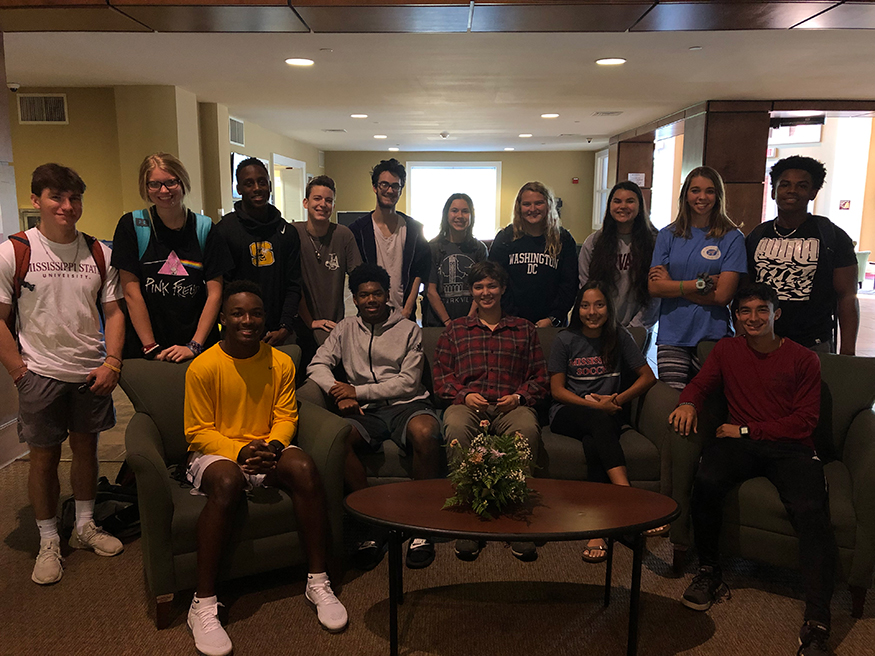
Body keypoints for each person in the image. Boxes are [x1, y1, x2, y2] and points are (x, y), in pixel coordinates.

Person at [669, 283, 834, 656]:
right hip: (739, 446)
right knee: (706, 480)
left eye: (762, 310)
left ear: (777, 313)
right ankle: (710, 570)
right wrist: (689, 403)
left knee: (810, 510)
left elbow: (804, 423)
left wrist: (746, 429)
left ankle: (818, 619)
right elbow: (700, 383)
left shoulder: (805, 359)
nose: (753, 318)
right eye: (745, 311)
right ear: (736, 317)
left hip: (789, 448)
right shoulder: (728, 350)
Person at [184, 280, 347, 656]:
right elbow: (197, 432)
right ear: (222, 319)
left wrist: (272, 447)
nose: (248, 320)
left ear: (265, 318)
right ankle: (203, 603)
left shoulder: (281, 361)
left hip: (266, 446)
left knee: (304, 467)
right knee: (225, 482)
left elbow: (286, 416)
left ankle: (318, 580)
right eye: (238, 313)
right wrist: (241, 452)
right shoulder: (203, 366)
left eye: (255, 313)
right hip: (218, 452)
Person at [0, 164, 125, 585]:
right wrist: (19, 372)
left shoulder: (98, 252)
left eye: (74, 199)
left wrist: (112, 362)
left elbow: (112, 311)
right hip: (40, 373)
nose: (67, 207)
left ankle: (86, 525)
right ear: (37, 200)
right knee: (43, 456)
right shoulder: (14, 251)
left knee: (87, 449)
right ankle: (49, 538)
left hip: (91, 371)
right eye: (57, 197)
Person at [307, 263, 442, 571]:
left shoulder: (408, 329)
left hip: (406, 404)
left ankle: (422, 527)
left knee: (426, 432)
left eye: (377, 294)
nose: (371, 300)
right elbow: (317, 366)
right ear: (354, 298)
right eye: (364, 295)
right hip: (366, 413)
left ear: (386, 296)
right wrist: (338, 392)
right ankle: (375, 519)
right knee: (335, 441)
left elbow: (409, 381)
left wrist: (356, 391)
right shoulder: (344, 329)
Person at [433, 260, 548, 562]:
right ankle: (469, 516)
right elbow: (441, 377)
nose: (486, 292)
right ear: (472, 291)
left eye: (491, 286)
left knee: (527, 430)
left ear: (502, 288)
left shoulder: (524, 329)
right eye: (479, 286)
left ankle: (516, 515)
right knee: (456, 427)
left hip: (510, 406)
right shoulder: (456, 331)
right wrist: (464, 394)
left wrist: (520, 397)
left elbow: (540, 378)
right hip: (469, 406)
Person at [548, 281, 659, 562]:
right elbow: (557, 390)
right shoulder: (565, 339)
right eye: (585, 305)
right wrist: (593, 404)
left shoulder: (620, 337)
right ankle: (630, 499)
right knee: (598, 421)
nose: (591, 311)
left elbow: (648, 377)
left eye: (598, 305)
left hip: (607, 413)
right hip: (566, 413)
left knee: (594, 441)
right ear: (577, 309)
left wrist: (617, 400)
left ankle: (598, 529)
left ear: (608, 308)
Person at [111, 152, 228, 361]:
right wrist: (151, 347)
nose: (163, 191)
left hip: (198, 346)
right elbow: (131, 292)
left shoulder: (205, 228)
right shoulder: (132, 225)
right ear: (145, 188)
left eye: (171, 182)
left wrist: (194, 345)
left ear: (182, 182)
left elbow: (215, 294)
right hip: (148, 346)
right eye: (154, 184)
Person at [746, 155, 858, 354]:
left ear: (813, 193)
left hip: (813, 344)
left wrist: (848, 351)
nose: (792, 191)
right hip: (762, 341)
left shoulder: (832, 236)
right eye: (785, 185)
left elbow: (847, 296)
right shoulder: (757, 235)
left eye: (802, 186)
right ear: (773, 192)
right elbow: (744, 293)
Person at [648, 166, 747, 390]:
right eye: (695, 190)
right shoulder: (667, 235)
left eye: (710, 191)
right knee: (674, 402)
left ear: (718, 196)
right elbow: (655, 288)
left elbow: (723, 296)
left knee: (707, 403)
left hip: (713, 334)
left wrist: (672, 285)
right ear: (685, 195)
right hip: (673, 335)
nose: (702, 197)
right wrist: (701, 284)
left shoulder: (732, 237)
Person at [215, 157, 302, 346]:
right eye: (249, 183)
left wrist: (285, 326)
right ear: (238, 189)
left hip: (280, 334)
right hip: (239, 334)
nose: (257, 188)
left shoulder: (287, 233)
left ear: (269, 186)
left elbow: (293, 285)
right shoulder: (224, 230)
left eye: (262, 182)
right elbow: (223, 288)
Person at [578, 181, 659, 351]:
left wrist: (636, 327)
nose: (623, 206)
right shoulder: (594, 242)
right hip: (601, 325)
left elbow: (657, 292)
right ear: (610, 206)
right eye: (617, 201)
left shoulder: (655, 242)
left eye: (630, 201)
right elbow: (585, 285)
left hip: (638, 327)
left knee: (633, 375)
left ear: (639, 206)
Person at [292, 175, 361, 368]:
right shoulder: (292, 234)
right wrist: (310, 320)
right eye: (317, 198)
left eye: (328, 200)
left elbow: (359, 279)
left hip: (333, 328)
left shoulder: (343, 235)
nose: (323, 204)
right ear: (306, 202)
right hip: (299, 328)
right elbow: (290, 283)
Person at [348, 158, 430, 320]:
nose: (390, 190)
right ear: (374, 187)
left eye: (395, 186)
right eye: (384, 184)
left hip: (405, 315)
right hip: (369, 315)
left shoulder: (414, 229)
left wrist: (407, 309)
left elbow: (418, 272)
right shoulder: (358, 230)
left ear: (400, 190)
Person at [488, 181, 578, 327]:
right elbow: (495, 280)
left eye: (539, 203)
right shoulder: (505, 238)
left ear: (548, 205)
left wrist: (553, 318)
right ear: (519, 207)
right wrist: (512, 317)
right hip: (511, 323)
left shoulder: (563, 239)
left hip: (552, 323)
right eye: (527, 204)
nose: (533, 209)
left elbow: (569, 284)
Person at [423, 193, 488, 327]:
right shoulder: (433, 248)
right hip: (438, 324)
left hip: (472, 323)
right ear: (446, 215)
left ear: (471, 216)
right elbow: (430, 290)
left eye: (465, 211)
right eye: (454, 211)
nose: (460, 216)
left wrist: (469, 320)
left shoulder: (479, 249)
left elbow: (482, 288)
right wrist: (448, 322)